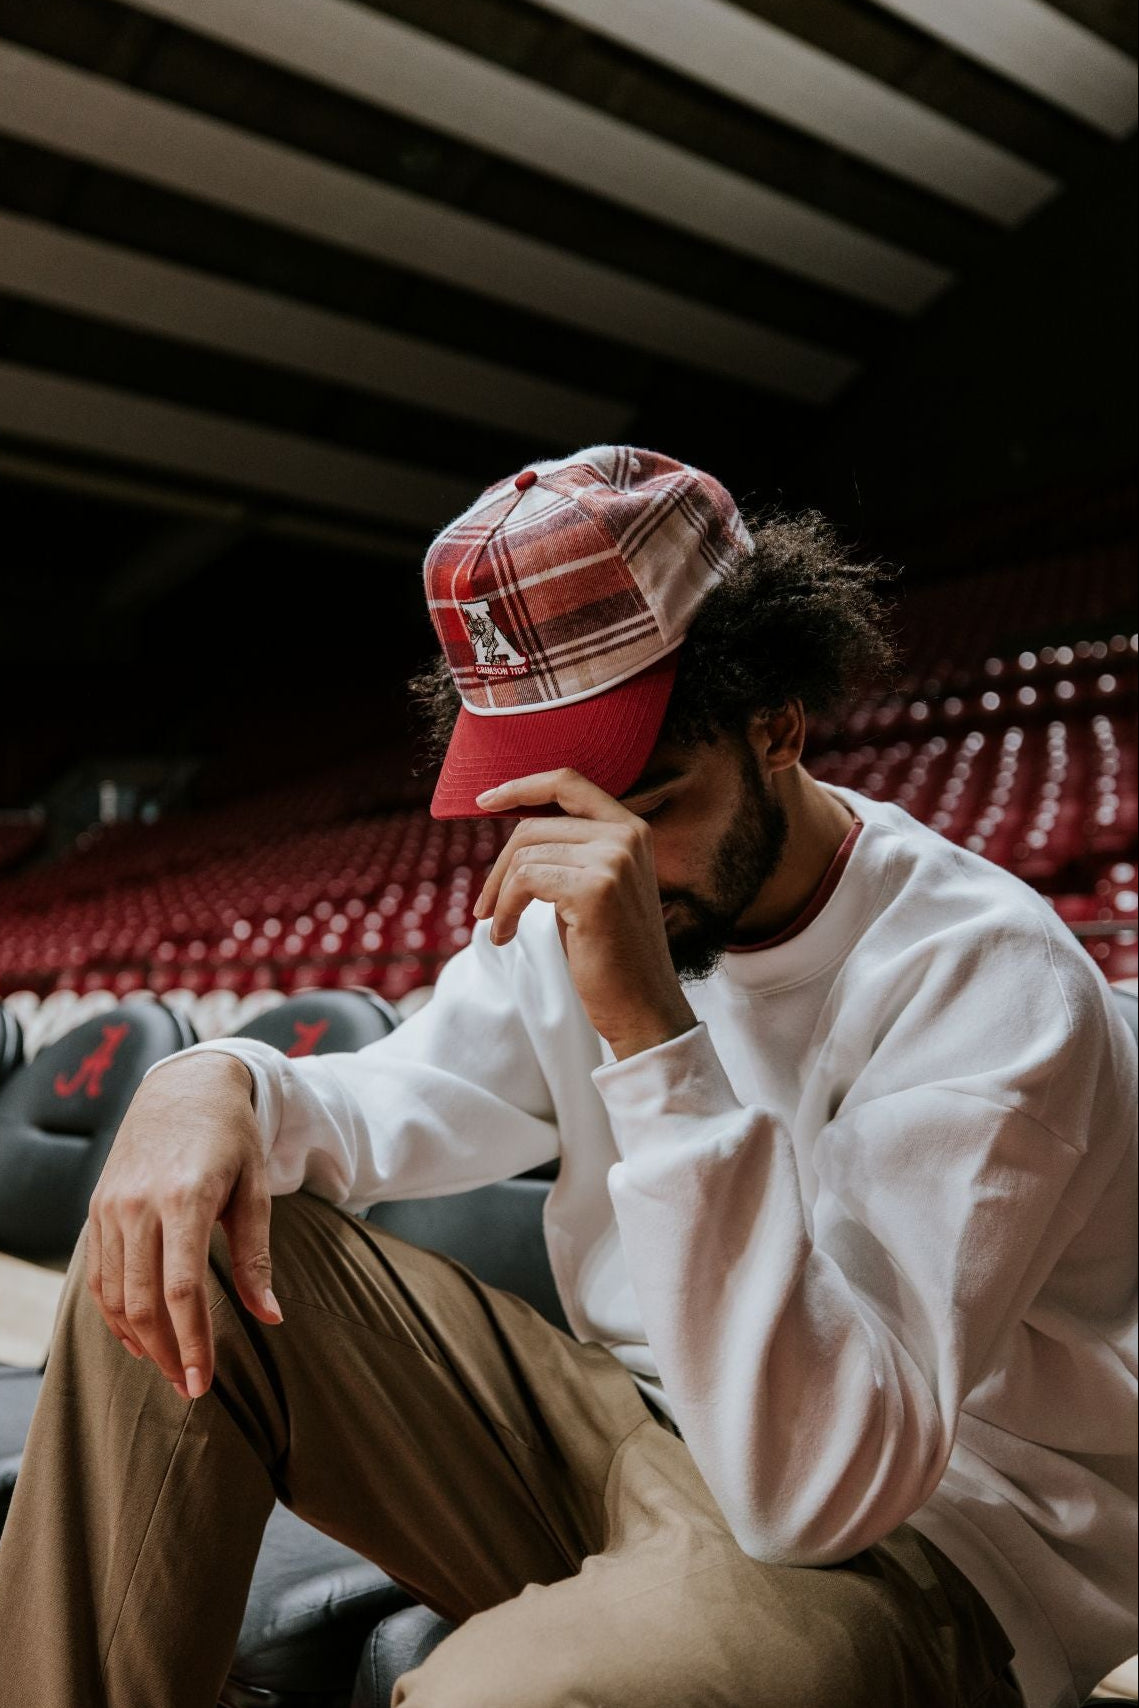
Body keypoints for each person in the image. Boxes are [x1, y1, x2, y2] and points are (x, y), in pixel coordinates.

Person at [0, 447, 1134, 1708]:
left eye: (647, 802)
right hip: (631, 1427)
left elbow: (819, 1485)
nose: (610, 867)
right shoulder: (578, 903)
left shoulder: (984, 977)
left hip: (935, 1542)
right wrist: (210, 1084)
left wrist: (654, 1036)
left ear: (777, 725)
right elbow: (391, 1098)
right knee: (179, 1241)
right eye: (557, 807)